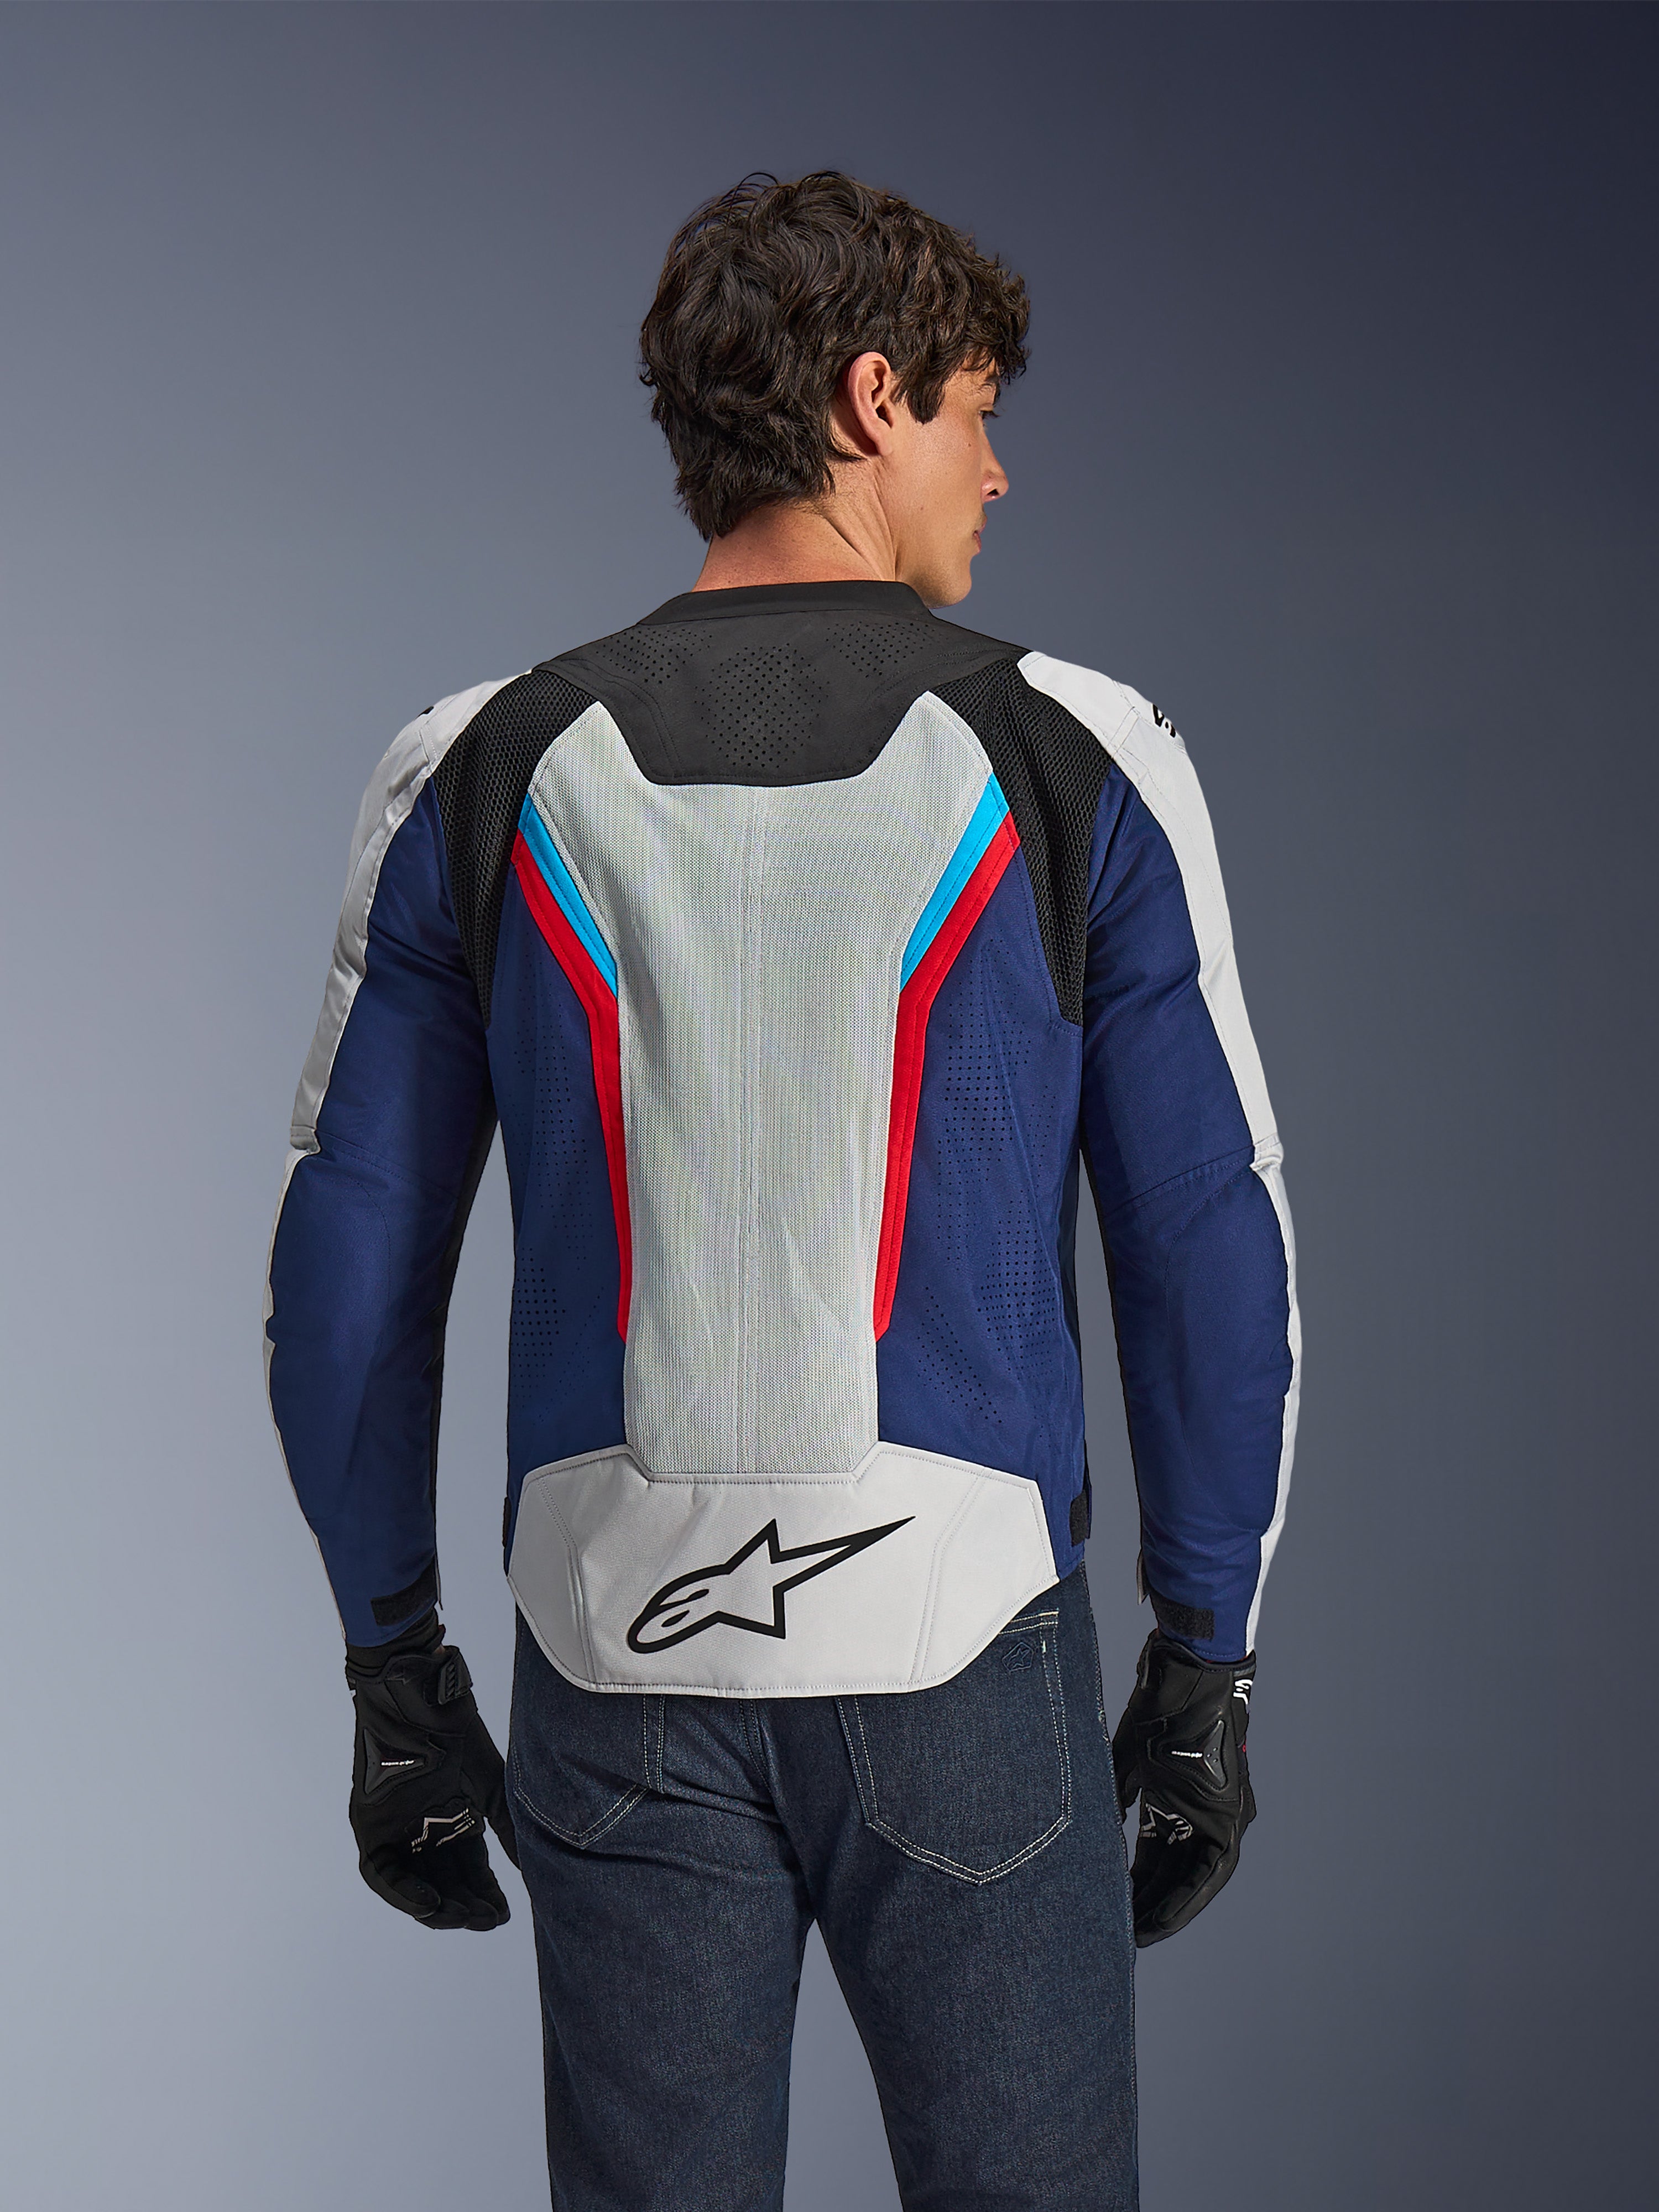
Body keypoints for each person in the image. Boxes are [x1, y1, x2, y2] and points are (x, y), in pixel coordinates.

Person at [265, 170, 1299, 2212]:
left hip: (616, 1649)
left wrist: (393, 1664)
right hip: (967, 1645)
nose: (999, 472)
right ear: (872, 397)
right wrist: (1206, 1661)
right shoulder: (1081, 756)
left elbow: (349, 1272)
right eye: (978, 413)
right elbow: (1207, 1242)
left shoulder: (480, 767)